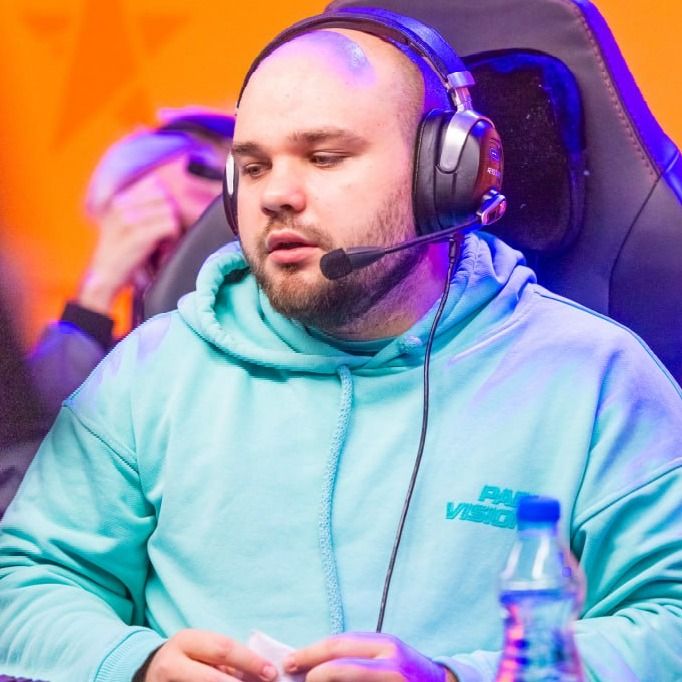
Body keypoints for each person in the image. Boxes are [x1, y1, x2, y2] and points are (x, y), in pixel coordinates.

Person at [0, 7, 681, 682]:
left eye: (324, 157)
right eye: (254, 167)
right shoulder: (152, 372)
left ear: (443, 174)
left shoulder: (596, 377)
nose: (277, 195)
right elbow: (22, 581)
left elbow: (671, 619)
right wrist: (137, 664)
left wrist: (455, 679)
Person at [27, 110, 234, 419]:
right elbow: (40, 432)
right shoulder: (121, 366)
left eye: (194, 233)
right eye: (155, 246)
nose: (179, 263)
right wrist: (98, 290)